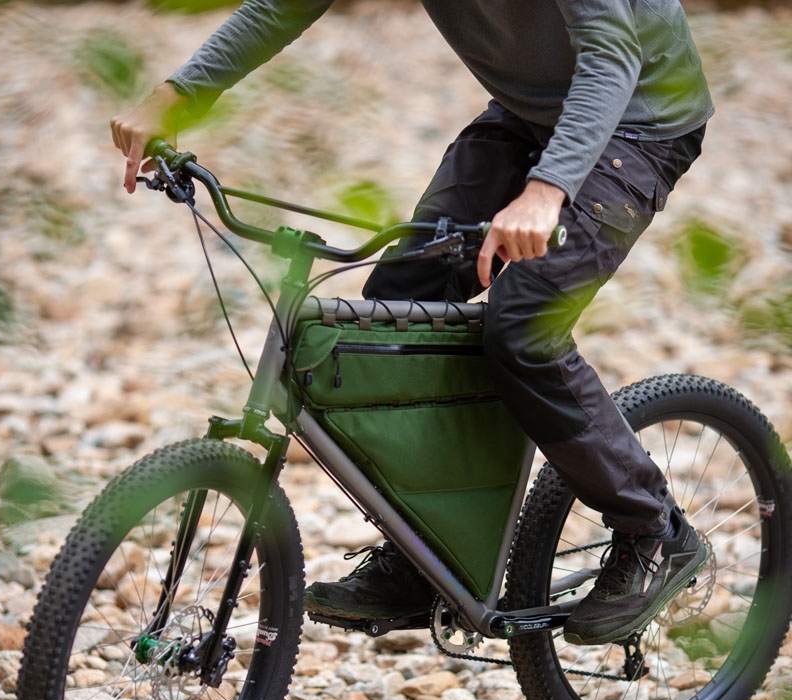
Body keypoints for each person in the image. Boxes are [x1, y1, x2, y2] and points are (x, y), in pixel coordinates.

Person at [111, 0, 714, 646]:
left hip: (641, 116)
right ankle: (432, 550)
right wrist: (177, 95)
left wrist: (547, 189)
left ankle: (655, 530)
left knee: (522, 327)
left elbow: (612, 52)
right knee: (401, 301)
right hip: (531, 112)